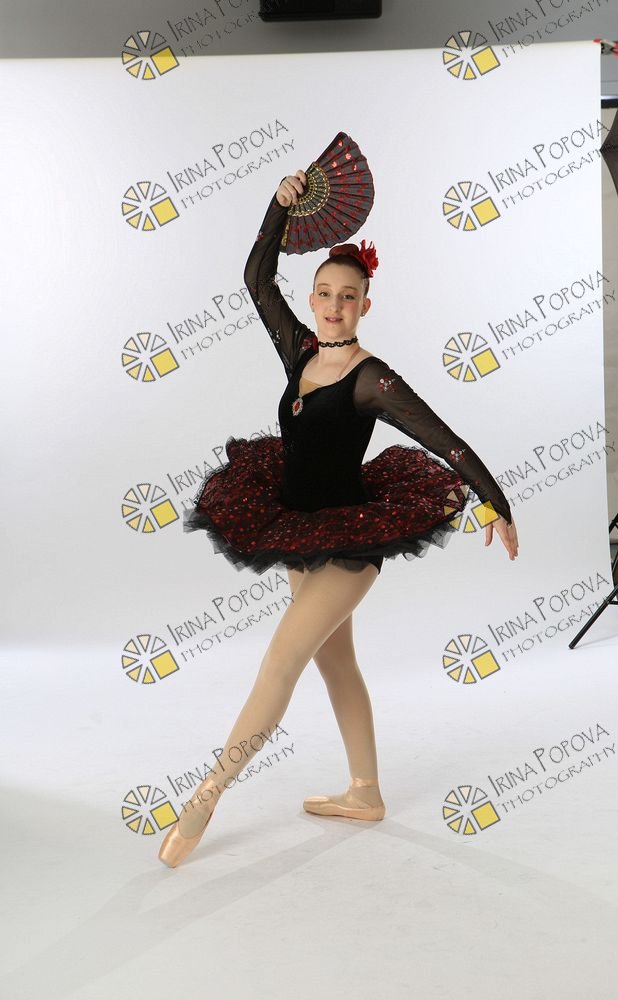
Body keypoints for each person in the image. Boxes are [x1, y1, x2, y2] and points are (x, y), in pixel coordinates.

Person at [158, 169, 519, 867]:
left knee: (278, 664)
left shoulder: (371, 378)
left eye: (346, 297)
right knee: (338, 663)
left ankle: (205, 797)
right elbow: (255, 279)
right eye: (323, 293)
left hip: (349, 543)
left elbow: (443, 439)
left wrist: (494, 500)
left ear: (364, 305)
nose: (332, 306)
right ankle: (365, 792)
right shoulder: (299, 351)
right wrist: (278, 208)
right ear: (313, 298)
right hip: (298, 532)